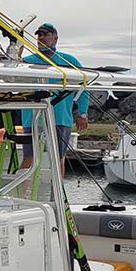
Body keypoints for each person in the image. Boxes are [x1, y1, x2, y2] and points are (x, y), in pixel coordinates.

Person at [20, 22, 89, 172]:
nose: (41, 38)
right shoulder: (26, 61)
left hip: (61, 118)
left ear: (55, 39)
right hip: (32, 119)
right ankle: (23, 193)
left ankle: (55, 194)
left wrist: (82, 113)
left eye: (46, 35)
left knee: (58, 158)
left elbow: (84, 87)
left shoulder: (69, 61)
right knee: (29, 157)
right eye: (39, 35)